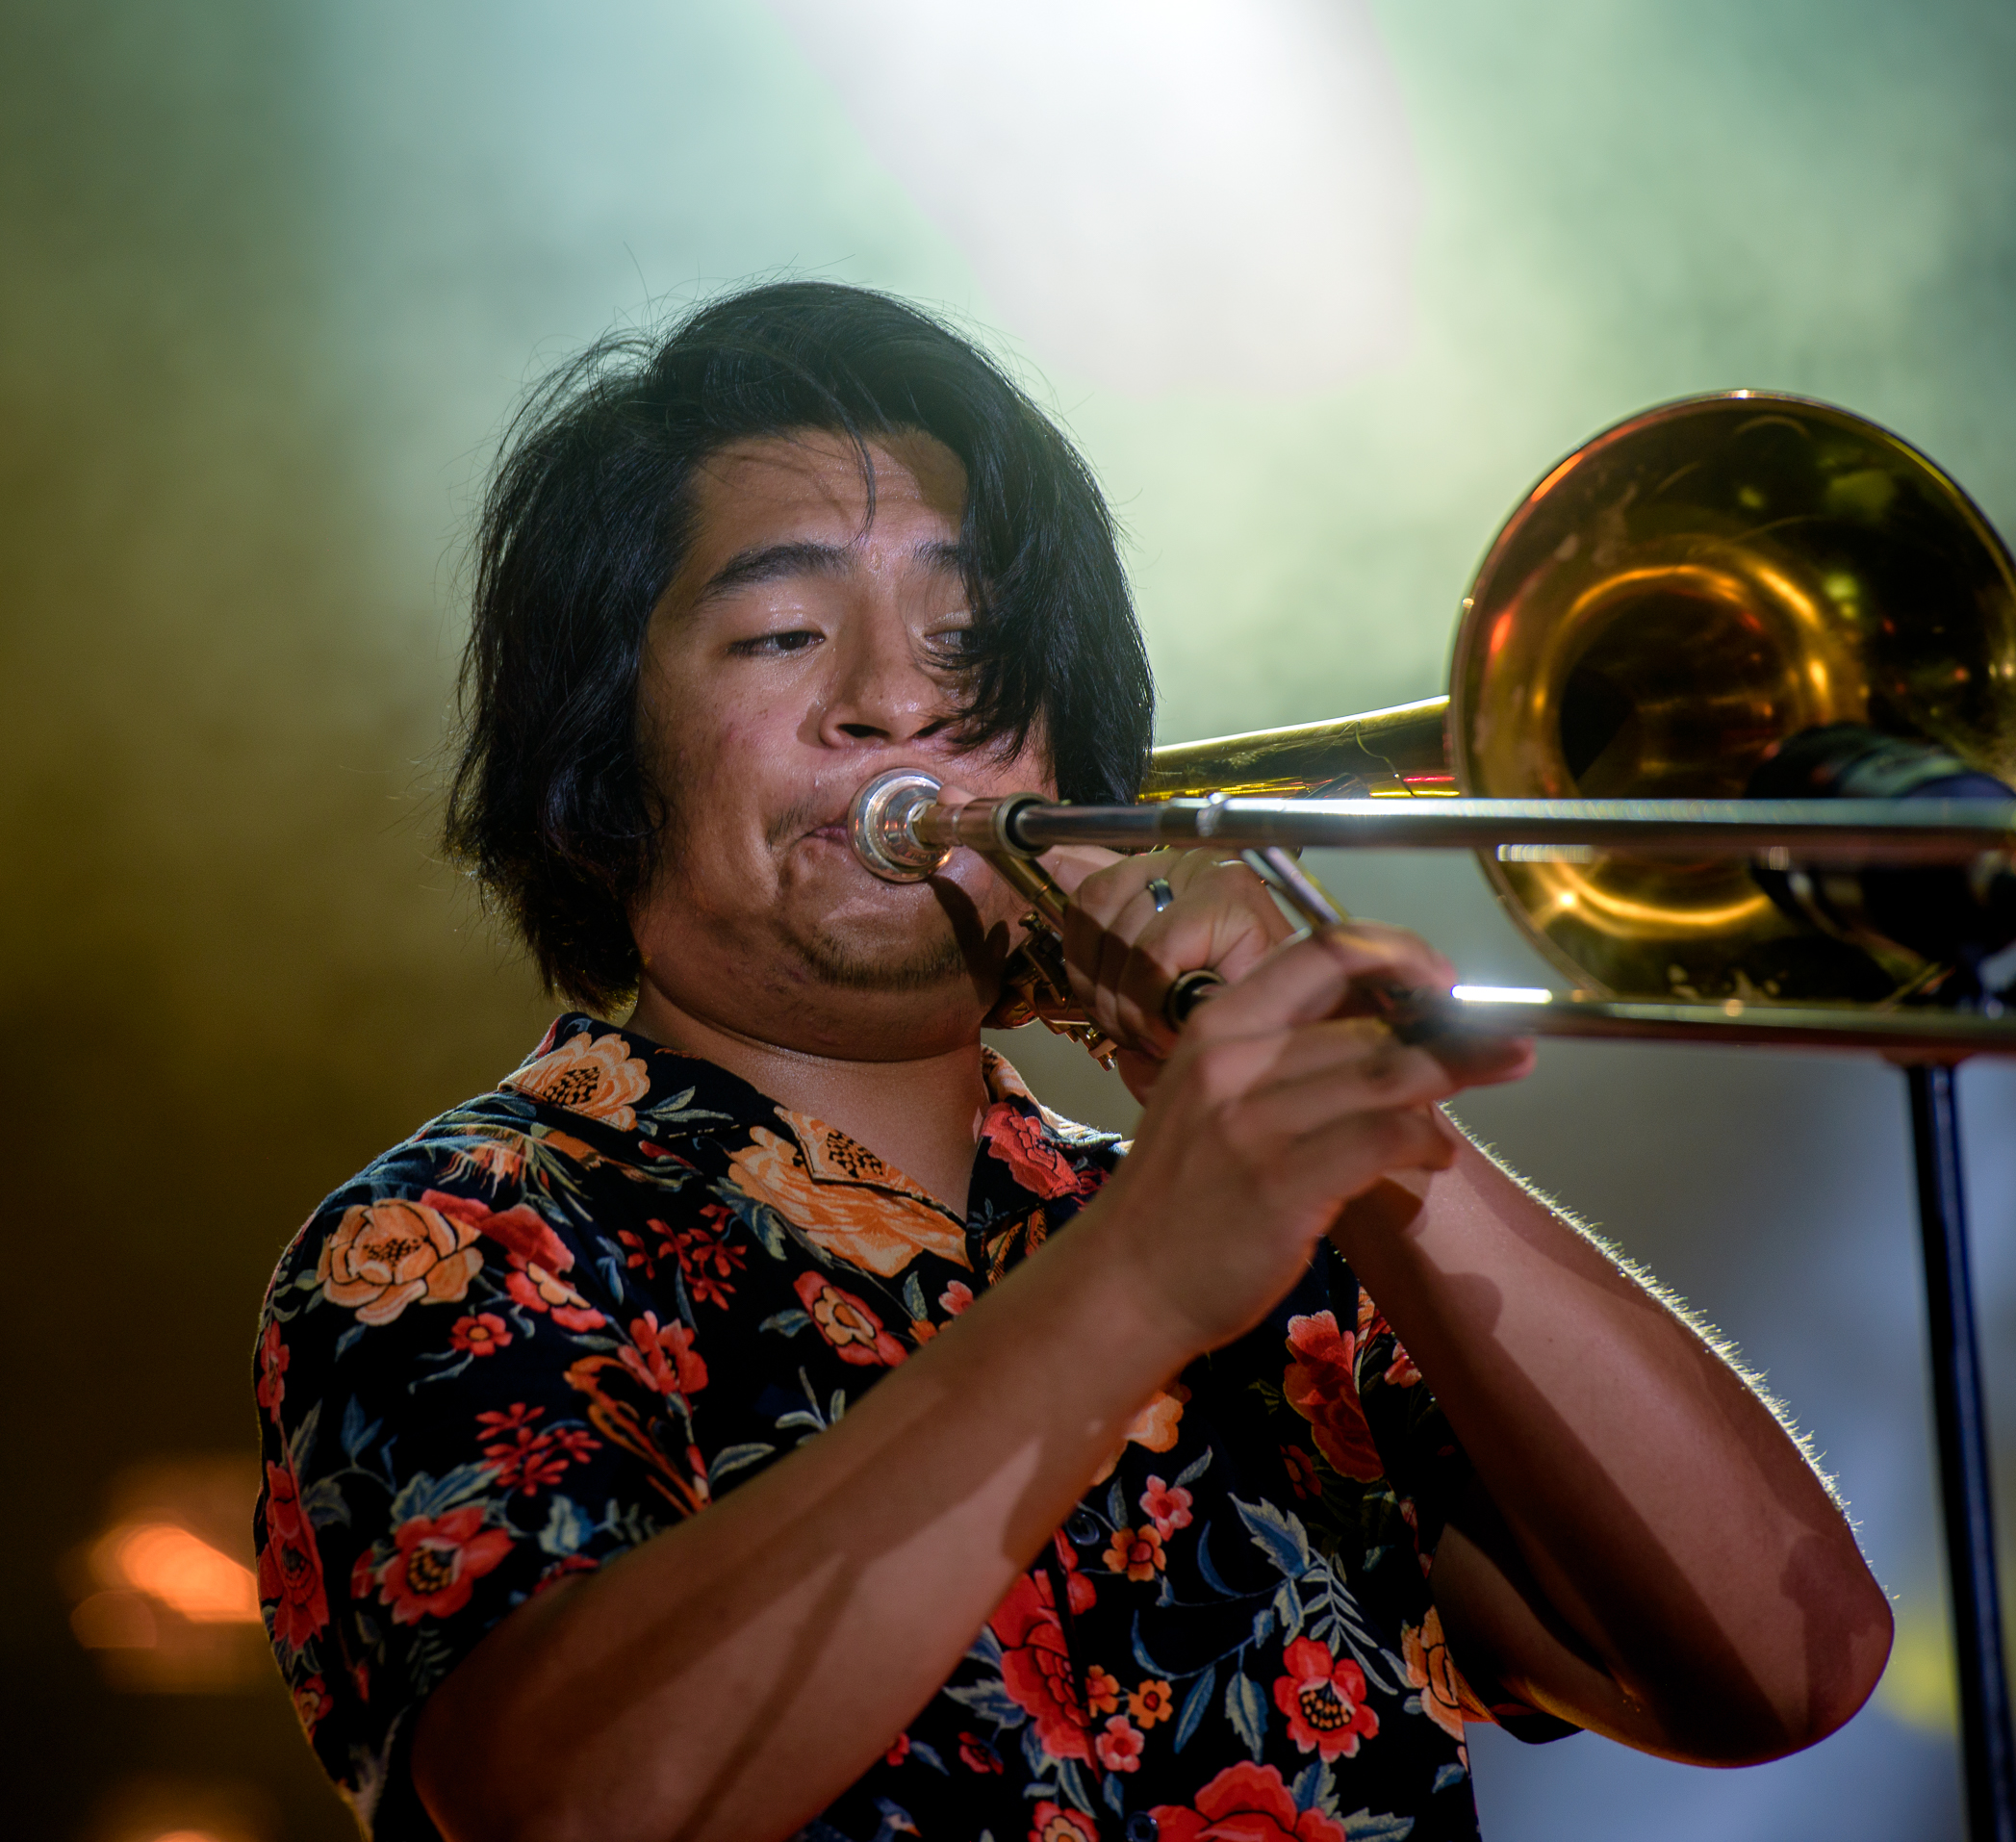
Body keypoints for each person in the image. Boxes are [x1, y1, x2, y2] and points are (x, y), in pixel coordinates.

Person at [252, 281, 1892, 1842]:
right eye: (779, 634)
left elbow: (1785, 1666)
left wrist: (1380, 1140)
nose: (896, 697)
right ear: (602, 744)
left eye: (969, 639)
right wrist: (1141, 1283)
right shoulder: (460, 1239)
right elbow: (565, 1805)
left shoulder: (1269, 1255)